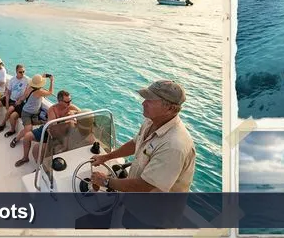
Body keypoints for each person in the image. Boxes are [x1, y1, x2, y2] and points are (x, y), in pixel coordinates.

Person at [90, 80, 195, 228]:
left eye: (150, 100)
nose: (143, 103)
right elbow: (135, 143)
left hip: (153, 218)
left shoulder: (174, 145)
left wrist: (106, 182)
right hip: (136, 205)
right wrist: (105, 157)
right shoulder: (152, 121)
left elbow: (146, 186)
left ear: (170, 108)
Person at [15, 90, 78, 167]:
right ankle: (25, 158)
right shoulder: (52, 109)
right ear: (59, 101)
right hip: (49, 131)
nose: (69, 103)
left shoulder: (71, 107)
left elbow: (83, 113)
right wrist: (67, 118)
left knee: (37, 149)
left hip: (61, 135)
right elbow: (53, 127)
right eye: (67, 102)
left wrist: (74, 113)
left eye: (70, 101)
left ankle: (42, 167)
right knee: (27, 136)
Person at [9, 73, 54, 145]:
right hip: (26, 113)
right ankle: (16, 139)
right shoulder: (40, 92)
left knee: (42, 122)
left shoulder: (30, 87)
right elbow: (50, 92)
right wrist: (51, 81)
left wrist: (42, 77)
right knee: (28, 129)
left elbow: (23, 97)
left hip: (35, 113)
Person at [0, 64, 29, 131]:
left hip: (18, 101)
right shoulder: (12, 80)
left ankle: (3, 123)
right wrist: (7, 102)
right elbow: (8, 92)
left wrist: (20, 100)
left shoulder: (26, 80)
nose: (22, 73)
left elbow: (26, 93)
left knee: (10, 109)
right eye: (20, 72)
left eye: (23, 72)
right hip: (10, 98)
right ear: (16, 72)